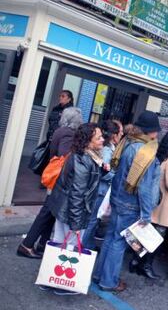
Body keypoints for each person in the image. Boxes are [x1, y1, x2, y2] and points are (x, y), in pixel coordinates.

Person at [93, 111, 161, 293]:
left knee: (110, 238)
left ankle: (100, 275)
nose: (157, 134)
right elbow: (145, 188)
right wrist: (146, 214)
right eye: (156, 131)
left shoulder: (128, 142)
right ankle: (108, 281)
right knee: (119, 242)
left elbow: (117, 171)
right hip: (131, 203)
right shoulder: (146, 152)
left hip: (118, 198)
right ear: (151, 131)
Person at [17, 107, 83, 259]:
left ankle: (42, 245)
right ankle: (26, 245)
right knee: (46, 212)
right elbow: (64, 156)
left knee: (51, 211)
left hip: (55, 177)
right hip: (58, 179)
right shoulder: (68, 134)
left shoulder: (60, 130)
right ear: (76, 120)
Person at [48, 123, 104, 295]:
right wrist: (77, 223)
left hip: (63, 207)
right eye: (98, 137)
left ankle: (50, 278)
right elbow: (78, 194)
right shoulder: (84, 159)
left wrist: (104, 170)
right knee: (69, 245)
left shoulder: (88, 156)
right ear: (88, 141)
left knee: (58, 241)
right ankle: (63, 284)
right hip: (72, 210)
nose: (103, 140)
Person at [129, 129, 168, 279]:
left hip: (156, 203)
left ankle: (136, 262)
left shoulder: (162, 155)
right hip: (165, 206)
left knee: (147, 236)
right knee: (155, 239)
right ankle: (146, 266)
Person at [82, 120, 123, 250]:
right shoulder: (106, 150)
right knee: (92, 219)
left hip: (101, 190)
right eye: (120, 132)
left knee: (93, 219)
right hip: (100, 189)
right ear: (114, 135)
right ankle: (82, 246)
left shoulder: (110, 148)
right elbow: (103, 172)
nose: (122, 135)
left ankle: (86, 244)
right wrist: (116, 173)